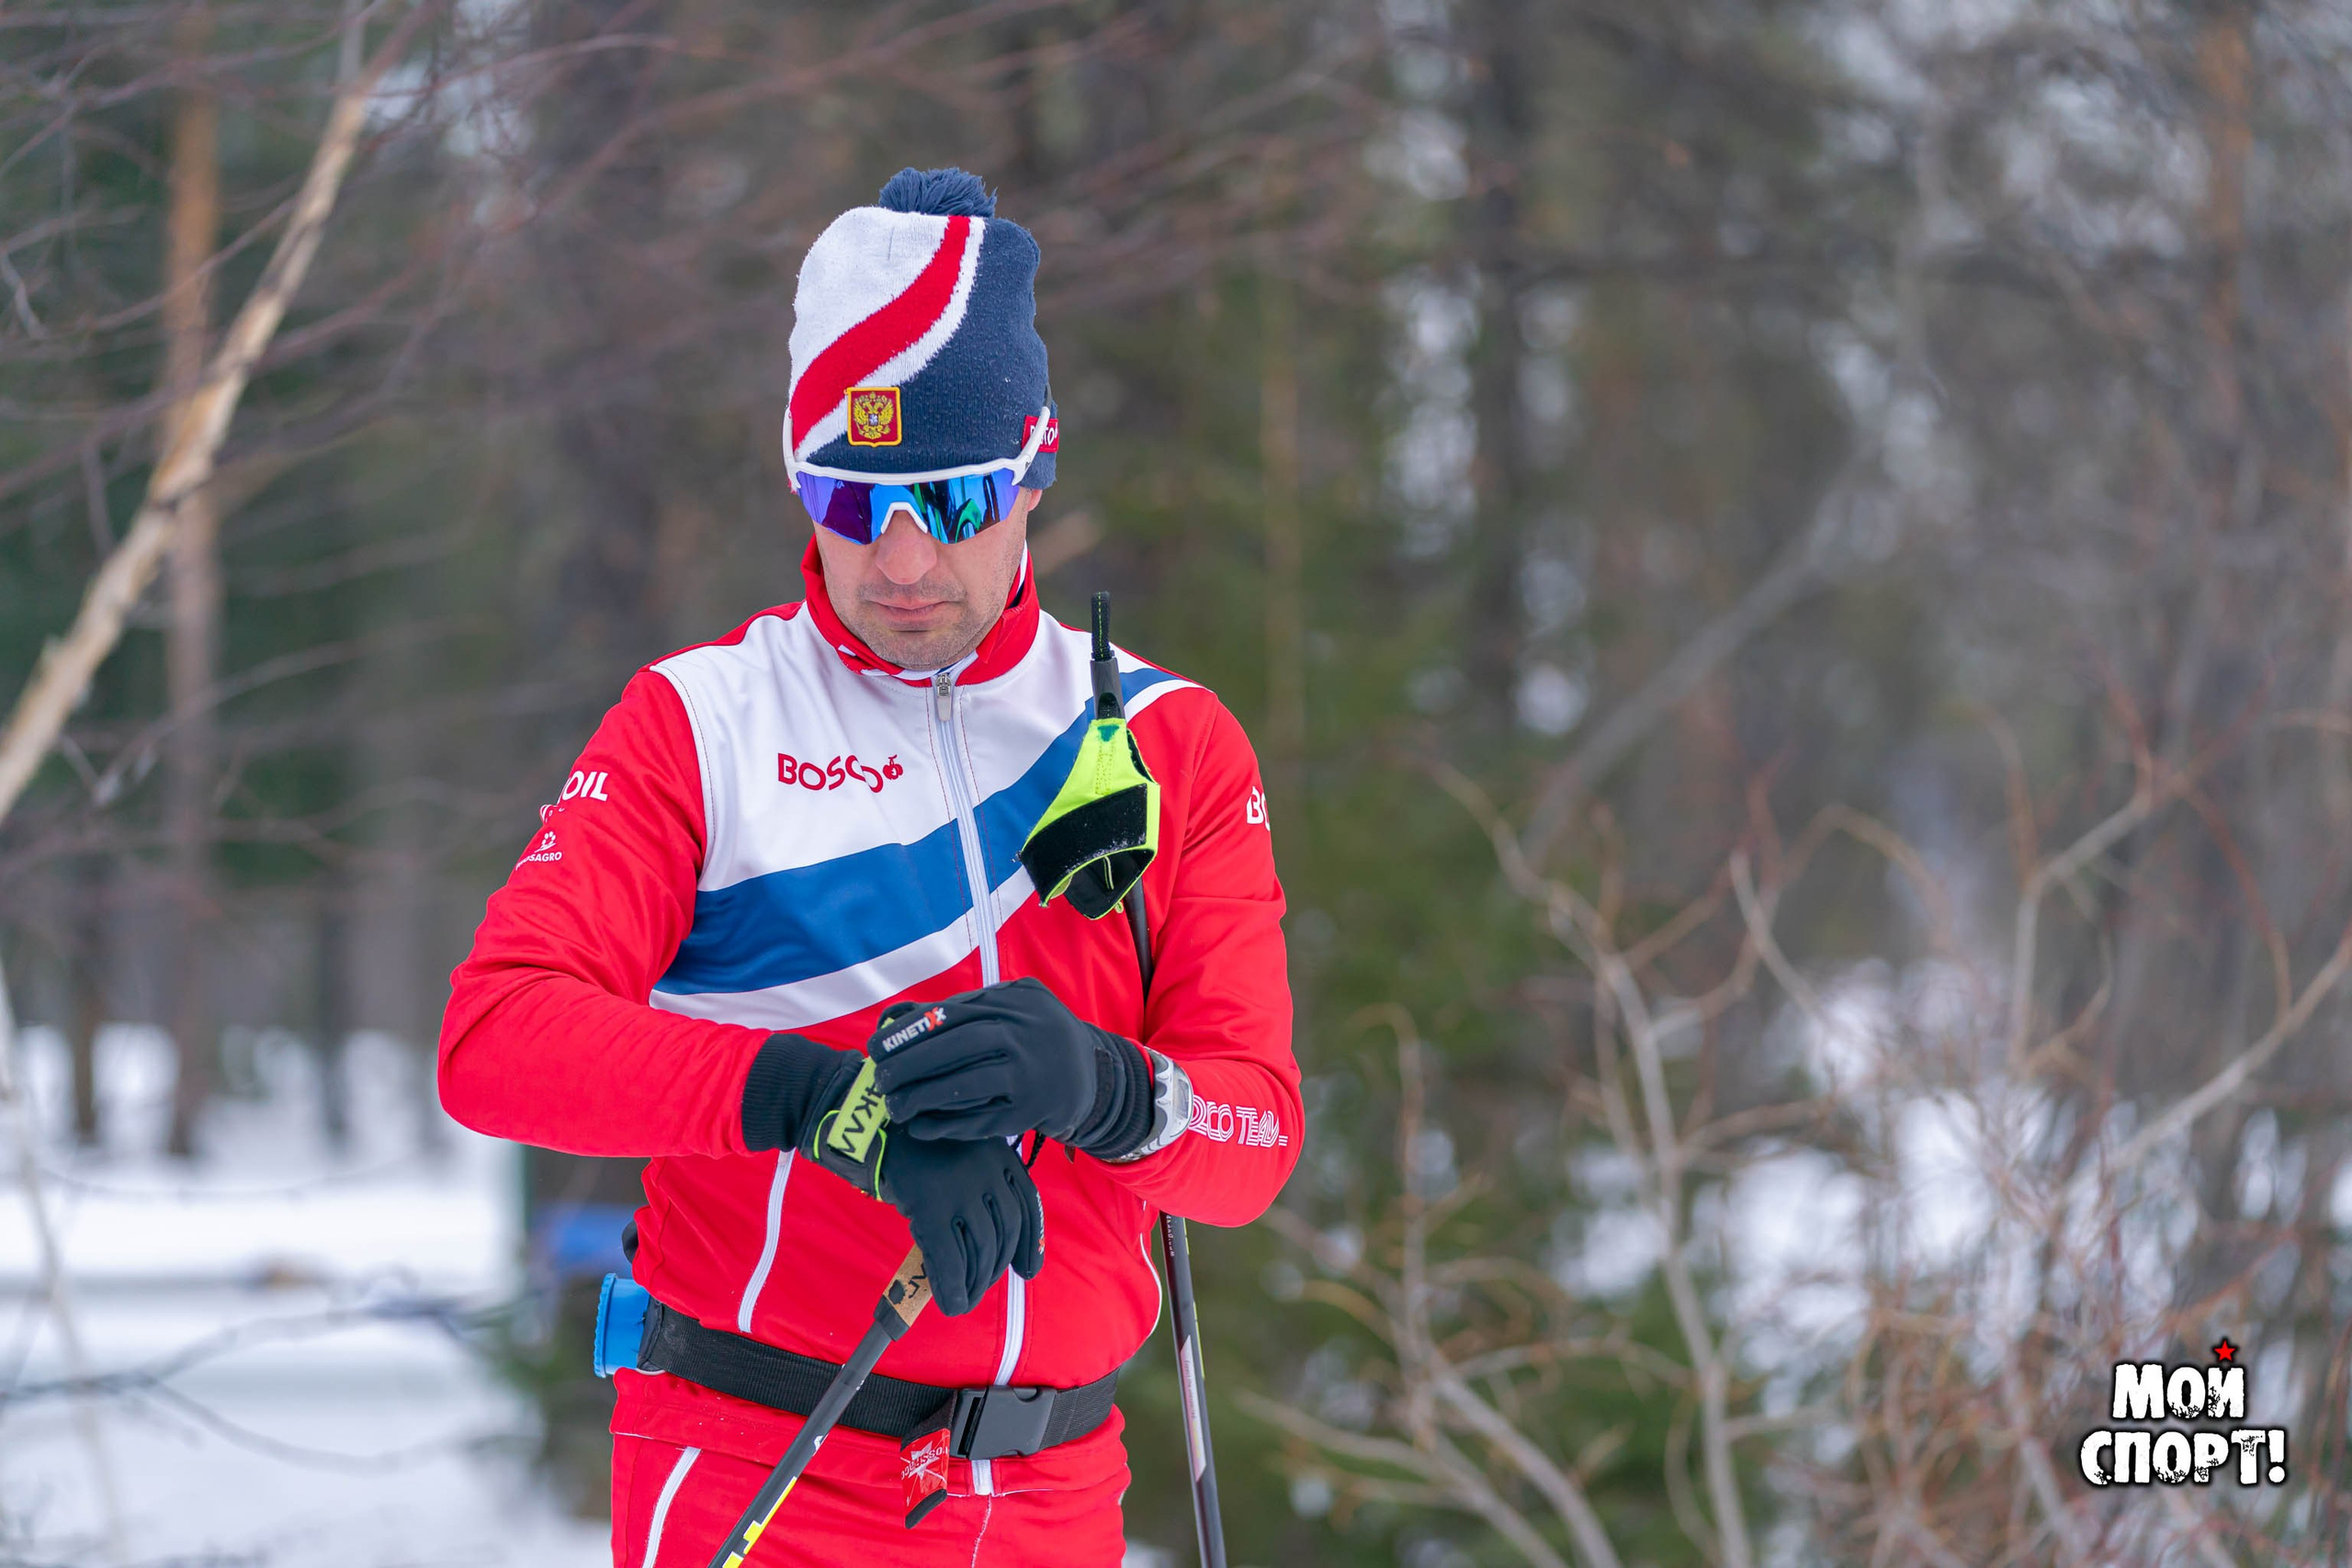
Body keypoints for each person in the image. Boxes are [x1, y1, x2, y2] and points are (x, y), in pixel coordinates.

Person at [438, 166, 1299, 1567]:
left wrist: (1109, 1088)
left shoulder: (1167, 743)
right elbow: (496, 1043)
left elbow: (1253, 1141)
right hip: (755, 1462)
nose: (899, 558)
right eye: (851, 496)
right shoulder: (707, 723)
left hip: (1054, 1489)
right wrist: (820, 1104)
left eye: (951, 498)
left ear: (1033, 472)